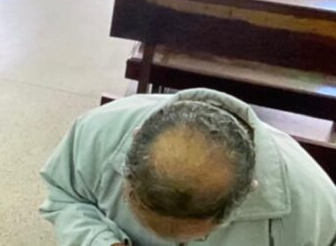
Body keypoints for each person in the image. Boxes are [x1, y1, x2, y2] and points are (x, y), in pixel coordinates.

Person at [40, 89, 336, 245]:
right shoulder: (99, 131)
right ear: (133, 143)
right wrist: (100, 242)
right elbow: (64, 195)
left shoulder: (312, 202)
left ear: (247, 192)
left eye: (198, 237)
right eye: (135, 208)